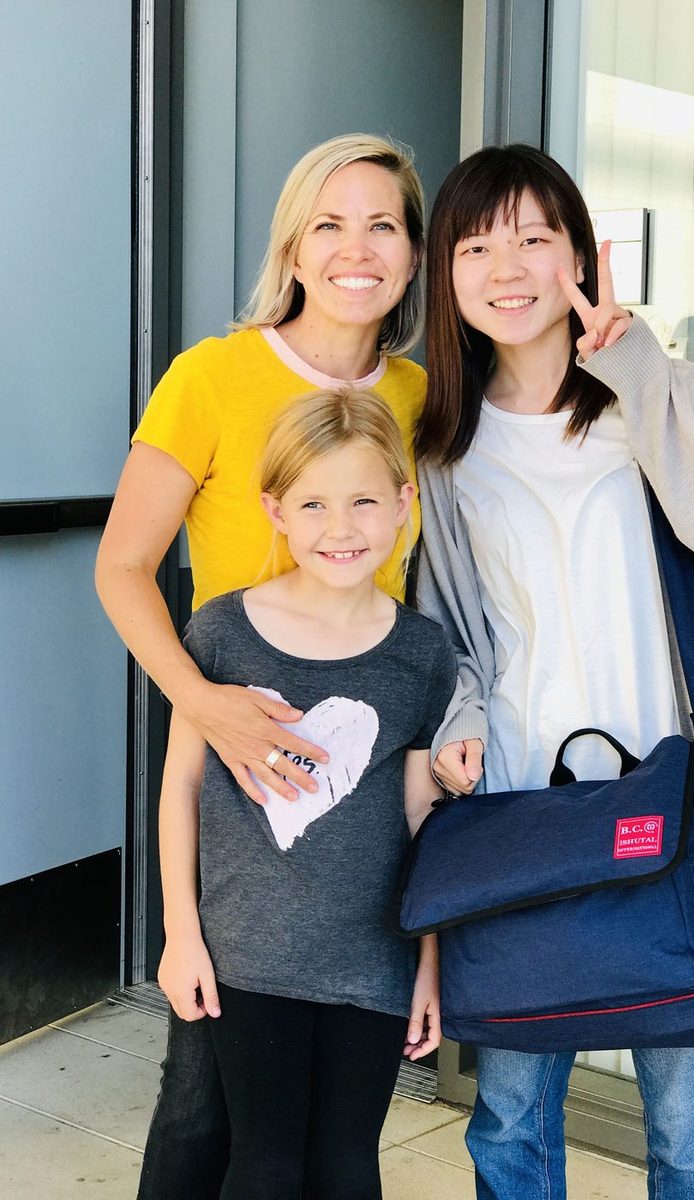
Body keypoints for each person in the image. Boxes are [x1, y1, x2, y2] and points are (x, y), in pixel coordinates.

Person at [414, 144, 694, 1200]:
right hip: (518, 809)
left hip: (669, 794)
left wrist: (642, 368)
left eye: (535, 239)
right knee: (509, 1121)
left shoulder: (649, 402)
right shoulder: (443, 447)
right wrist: (458, 721)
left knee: (690, 1126)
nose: (507, 268)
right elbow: (444, 632)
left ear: (580, 258)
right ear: (447, 274)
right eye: (476, 246)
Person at [95, 133, 428, 1199]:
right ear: (291, 247)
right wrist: (206, 705)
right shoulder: (211, 376)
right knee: (205, 1100)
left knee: (327, 1138)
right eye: (329, 223)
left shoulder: (422, 396)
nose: (356, 249)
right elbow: (123, 567)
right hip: (234, 776)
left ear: (414, 253)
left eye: (383, 225)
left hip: (360, 801)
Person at [157, 387, 456, 1199]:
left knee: (347, 1169)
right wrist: (181, 935)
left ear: (403, 503)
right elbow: (182, 785)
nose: (340, 527)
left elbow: (422, 815)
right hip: (247, 956)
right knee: (265, 1167)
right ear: (275, 511)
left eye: (364, 501)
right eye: (315, 503)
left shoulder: (422, 654)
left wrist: (429, 962)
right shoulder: (221, 633)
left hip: (375, 959)